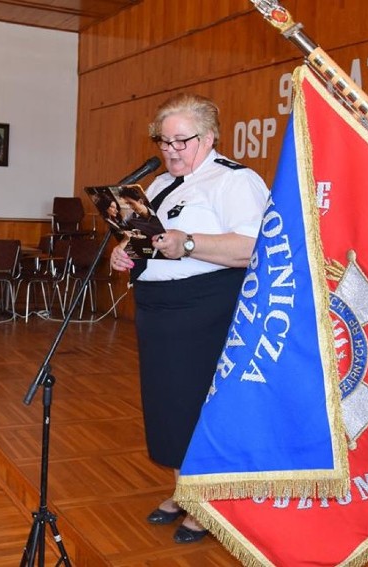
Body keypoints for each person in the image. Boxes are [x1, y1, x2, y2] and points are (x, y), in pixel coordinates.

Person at [110, 93, 268, 544]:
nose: (172, 150)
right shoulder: (158, 186)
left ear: (210, 136)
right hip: (157, 309)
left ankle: (209, 503)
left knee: (196, 404)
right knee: (167, 406)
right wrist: (127, 255)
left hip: (205, 307)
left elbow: (254, 247)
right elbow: (152, 243)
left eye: (183, 140)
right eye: (164, 141)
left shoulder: (235, 181)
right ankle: (185, 489)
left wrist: (192, 244)